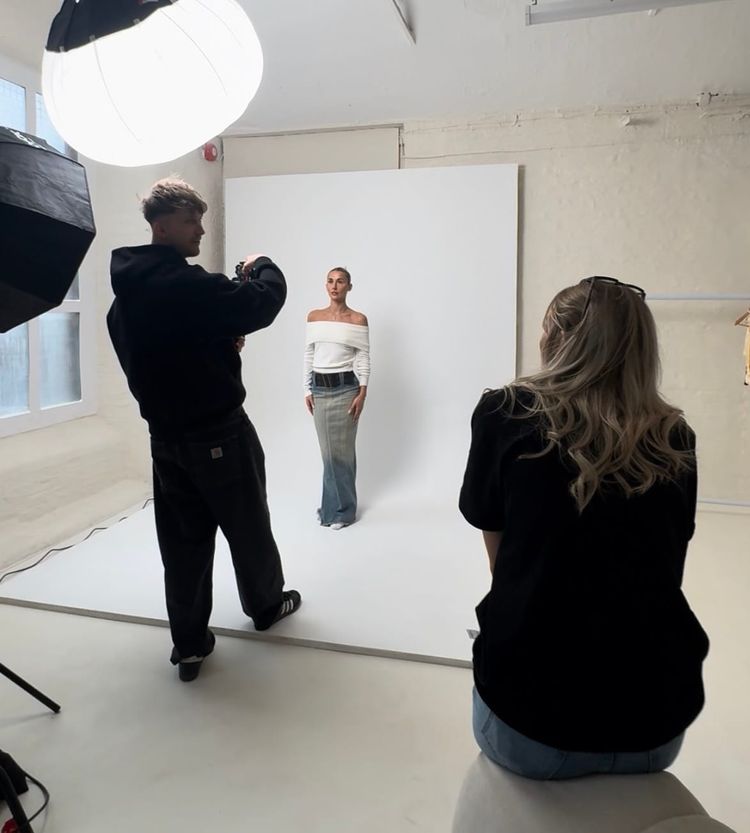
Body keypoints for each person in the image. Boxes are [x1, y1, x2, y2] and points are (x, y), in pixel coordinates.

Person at [459, 276, 709, 779]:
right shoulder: (675, 437)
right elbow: (668, 561)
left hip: (529, 729)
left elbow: (498, 552)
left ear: (556, 338)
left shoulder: (506, 413)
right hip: (655, 726)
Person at [107, 178, 301, 682]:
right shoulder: (188, 285)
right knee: (249, 527)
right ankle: (266, 606)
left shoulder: (122, 302)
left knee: (183, 544)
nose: (199, 230)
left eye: (201, 220)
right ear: (162, 225)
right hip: (218, 434)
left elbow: (151, 362)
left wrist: (215, 348)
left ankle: (189, 644)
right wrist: (261, 263)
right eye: (192, 221)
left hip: (165, 440)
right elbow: (263, 301)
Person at [304, 267, 370, 529]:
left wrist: (363, 392)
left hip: (345, 390)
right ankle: (331, 507)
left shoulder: (357, 320)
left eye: (340, 281)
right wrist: (306, 389)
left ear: (349, 287)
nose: (334, 286)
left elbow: (363, 357)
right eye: (330, 281)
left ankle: (342, 512)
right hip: (319, 389)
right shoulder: (315, 317)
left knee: (342, 453)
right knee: (327, 453)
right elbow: (308, 354)